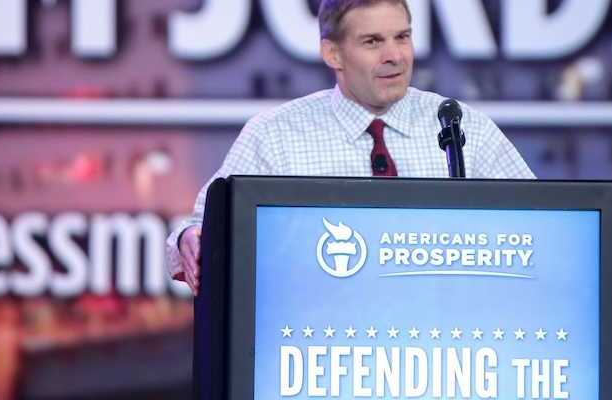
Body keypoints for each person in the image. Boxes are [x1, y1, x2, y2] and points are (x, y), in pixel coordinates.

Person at [165, 0, 535, 295]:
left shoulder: (458, 124)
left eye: (402, 37)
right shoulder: (276, 134)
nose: (395, 55)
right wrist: (189, 241)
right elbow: (198, 229)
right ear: (333, 54)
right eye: (373, 42)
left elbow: (540, 225)